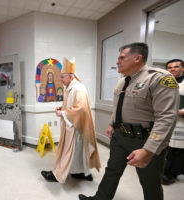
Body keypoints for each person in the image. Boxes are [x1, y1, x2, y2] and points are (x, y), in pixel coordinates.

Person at [79, 43, 179, 200]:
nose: (117, 61)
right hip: (120, 136)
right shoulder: (122, 81)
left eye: (122, 57)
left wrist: (148, 150)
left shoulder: (159, 78)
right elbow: (119, 106)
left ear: (137, 58)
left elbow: (166, 117)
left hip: (145, 140)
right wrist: (112, 124)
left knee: (150, 182)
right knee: (112, 170)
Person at [41, 57, 101, 183]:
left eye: (62, 77)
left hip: (76, 126)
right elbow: (72, 104)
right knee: (77, 152)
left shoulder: (78, 88)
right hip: (73, 124)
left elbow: (81, 108)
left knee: (69, 151)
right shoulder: (71, 86)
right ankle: (83, 173)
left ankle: (58, 175)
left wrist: (62, 112)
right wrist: (62, 108)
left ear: (71, 76)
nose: (61, 80)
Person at [162, 59, 184, 185]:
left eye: (176, 67)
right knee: (167, 148)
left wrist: (181, 112)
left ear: (182, 68)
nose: (172, 69)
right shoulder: (165, 82)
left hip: (181, 121)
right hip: (166, 120)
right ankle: (165, 171)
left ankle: (172, 174)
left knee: (178, 149)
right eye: (169, 67)